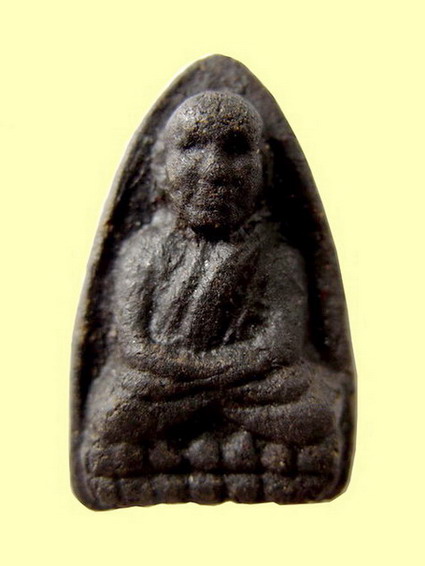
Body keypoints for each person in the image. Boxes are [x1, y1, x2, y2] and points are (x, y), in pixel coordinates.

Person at [80, 92, 340, 506]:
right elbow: (133, 346)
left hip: (242, 386)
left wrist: (206, 379)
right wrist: (201, 377)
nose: (215, 170)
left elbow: (280, 346)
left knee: (311, 410)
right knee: (114, 409)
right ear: (160, 168)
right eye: (192, 147)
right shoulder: (144, 251)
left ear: (265, 169)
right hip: (167, 383)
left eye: (235, 149)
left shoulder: (277, 256)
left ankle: (171, 454)